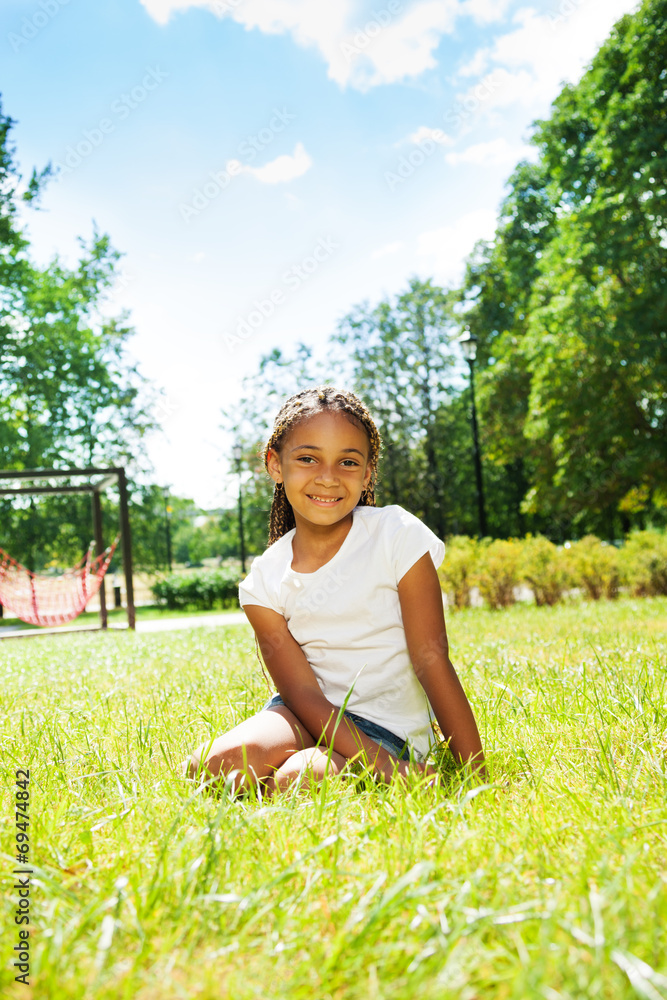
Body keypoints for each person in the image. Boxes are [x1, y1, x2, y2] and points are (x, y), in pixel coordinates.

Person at [185, 385, 485, 795]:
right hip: (304, 714)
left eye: (347, 462)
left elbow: (432, 661)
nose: (327, 477)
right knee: (212, 766)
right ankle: (298, 768)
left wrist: (474, 776)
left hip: (388, 728)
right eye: (307, 458)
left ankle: (305, 771)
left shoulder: (397, 535)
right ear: (275, 465)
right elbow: (303, 694)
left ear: (366, 474)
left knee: (300, 778)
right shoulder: (264, 581)